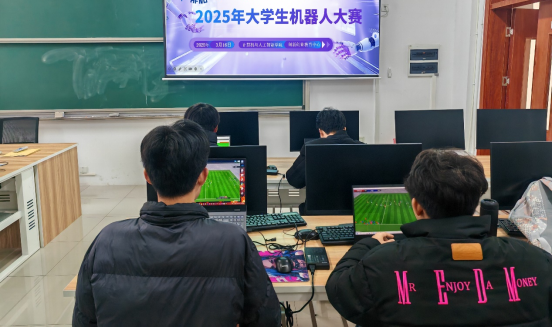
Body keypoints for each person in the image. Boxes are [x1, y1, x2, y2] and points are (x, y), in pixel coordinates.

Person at [73, 120, 280, 327]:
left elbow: (83, 320)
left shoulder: (106, 239)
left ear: (147, 177)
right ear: (203, 176)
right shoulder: (234, 240)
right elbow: (266, 319)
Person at [326, 149, 552, 327]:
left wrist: (368, 243)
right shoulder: (539, 262)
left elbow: (338, 287)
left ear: (417, 207)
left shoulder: (381, 265)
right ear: (475, 205)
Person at [286, 107, 363, 189]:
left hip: (319, 198)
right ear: (344, 128)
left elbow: (294, 180)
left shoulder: (311, 148)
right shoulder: (362, 148)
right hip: (354, 198)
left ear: (321, 132)